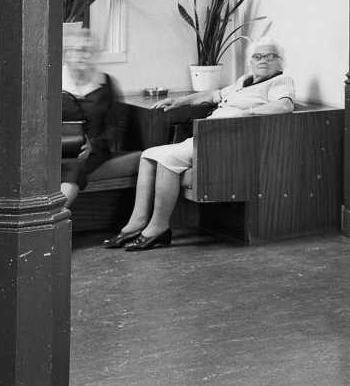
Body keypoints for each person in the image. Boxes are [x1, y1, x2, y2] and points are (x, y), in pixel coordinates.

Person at [107, 38, 294, 251]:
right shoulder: (244, 81)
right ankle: (136, 223)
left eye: (270, 56)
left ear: (280, 62)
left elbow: (284, 106)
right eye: (257, 56)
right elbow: (213, 95)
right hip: (209, 136)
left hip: (233, 142)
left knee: (167, 159)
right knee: (148, 156)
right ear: (250, 61)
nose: (263, 60)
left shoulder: (281, 81)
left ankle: (158, 228)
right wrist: (180, 101)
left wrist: (248, 113)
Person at [60, 25, 123, 209]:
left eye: (90, 51)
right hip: (56, 150)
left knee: (75, 166)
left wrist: (92, 145)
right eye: (80, 50)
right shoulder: (53, 81)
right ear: (67, 54)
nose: (85, 55)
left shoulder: (105, 82)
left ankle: (51, 219)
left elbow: (116, 128)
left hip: (94, 152)